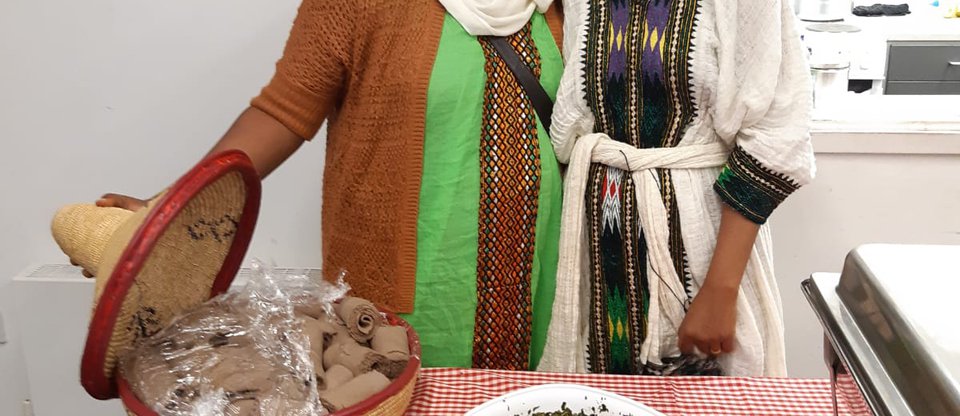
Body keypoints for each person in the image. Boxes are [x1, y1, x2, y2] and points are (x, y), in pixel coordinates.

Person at [93, 0, 565, 371]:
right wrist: (173, 207)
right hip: (406, 311)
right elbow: (283, 111)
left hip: (541, 289)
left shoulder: (564, 8)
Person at [535, 0, 815, 376]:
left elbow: (776, 133)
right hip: (599, 240)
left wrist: (721, 288)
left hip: (703, 236)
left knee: (705, 394)